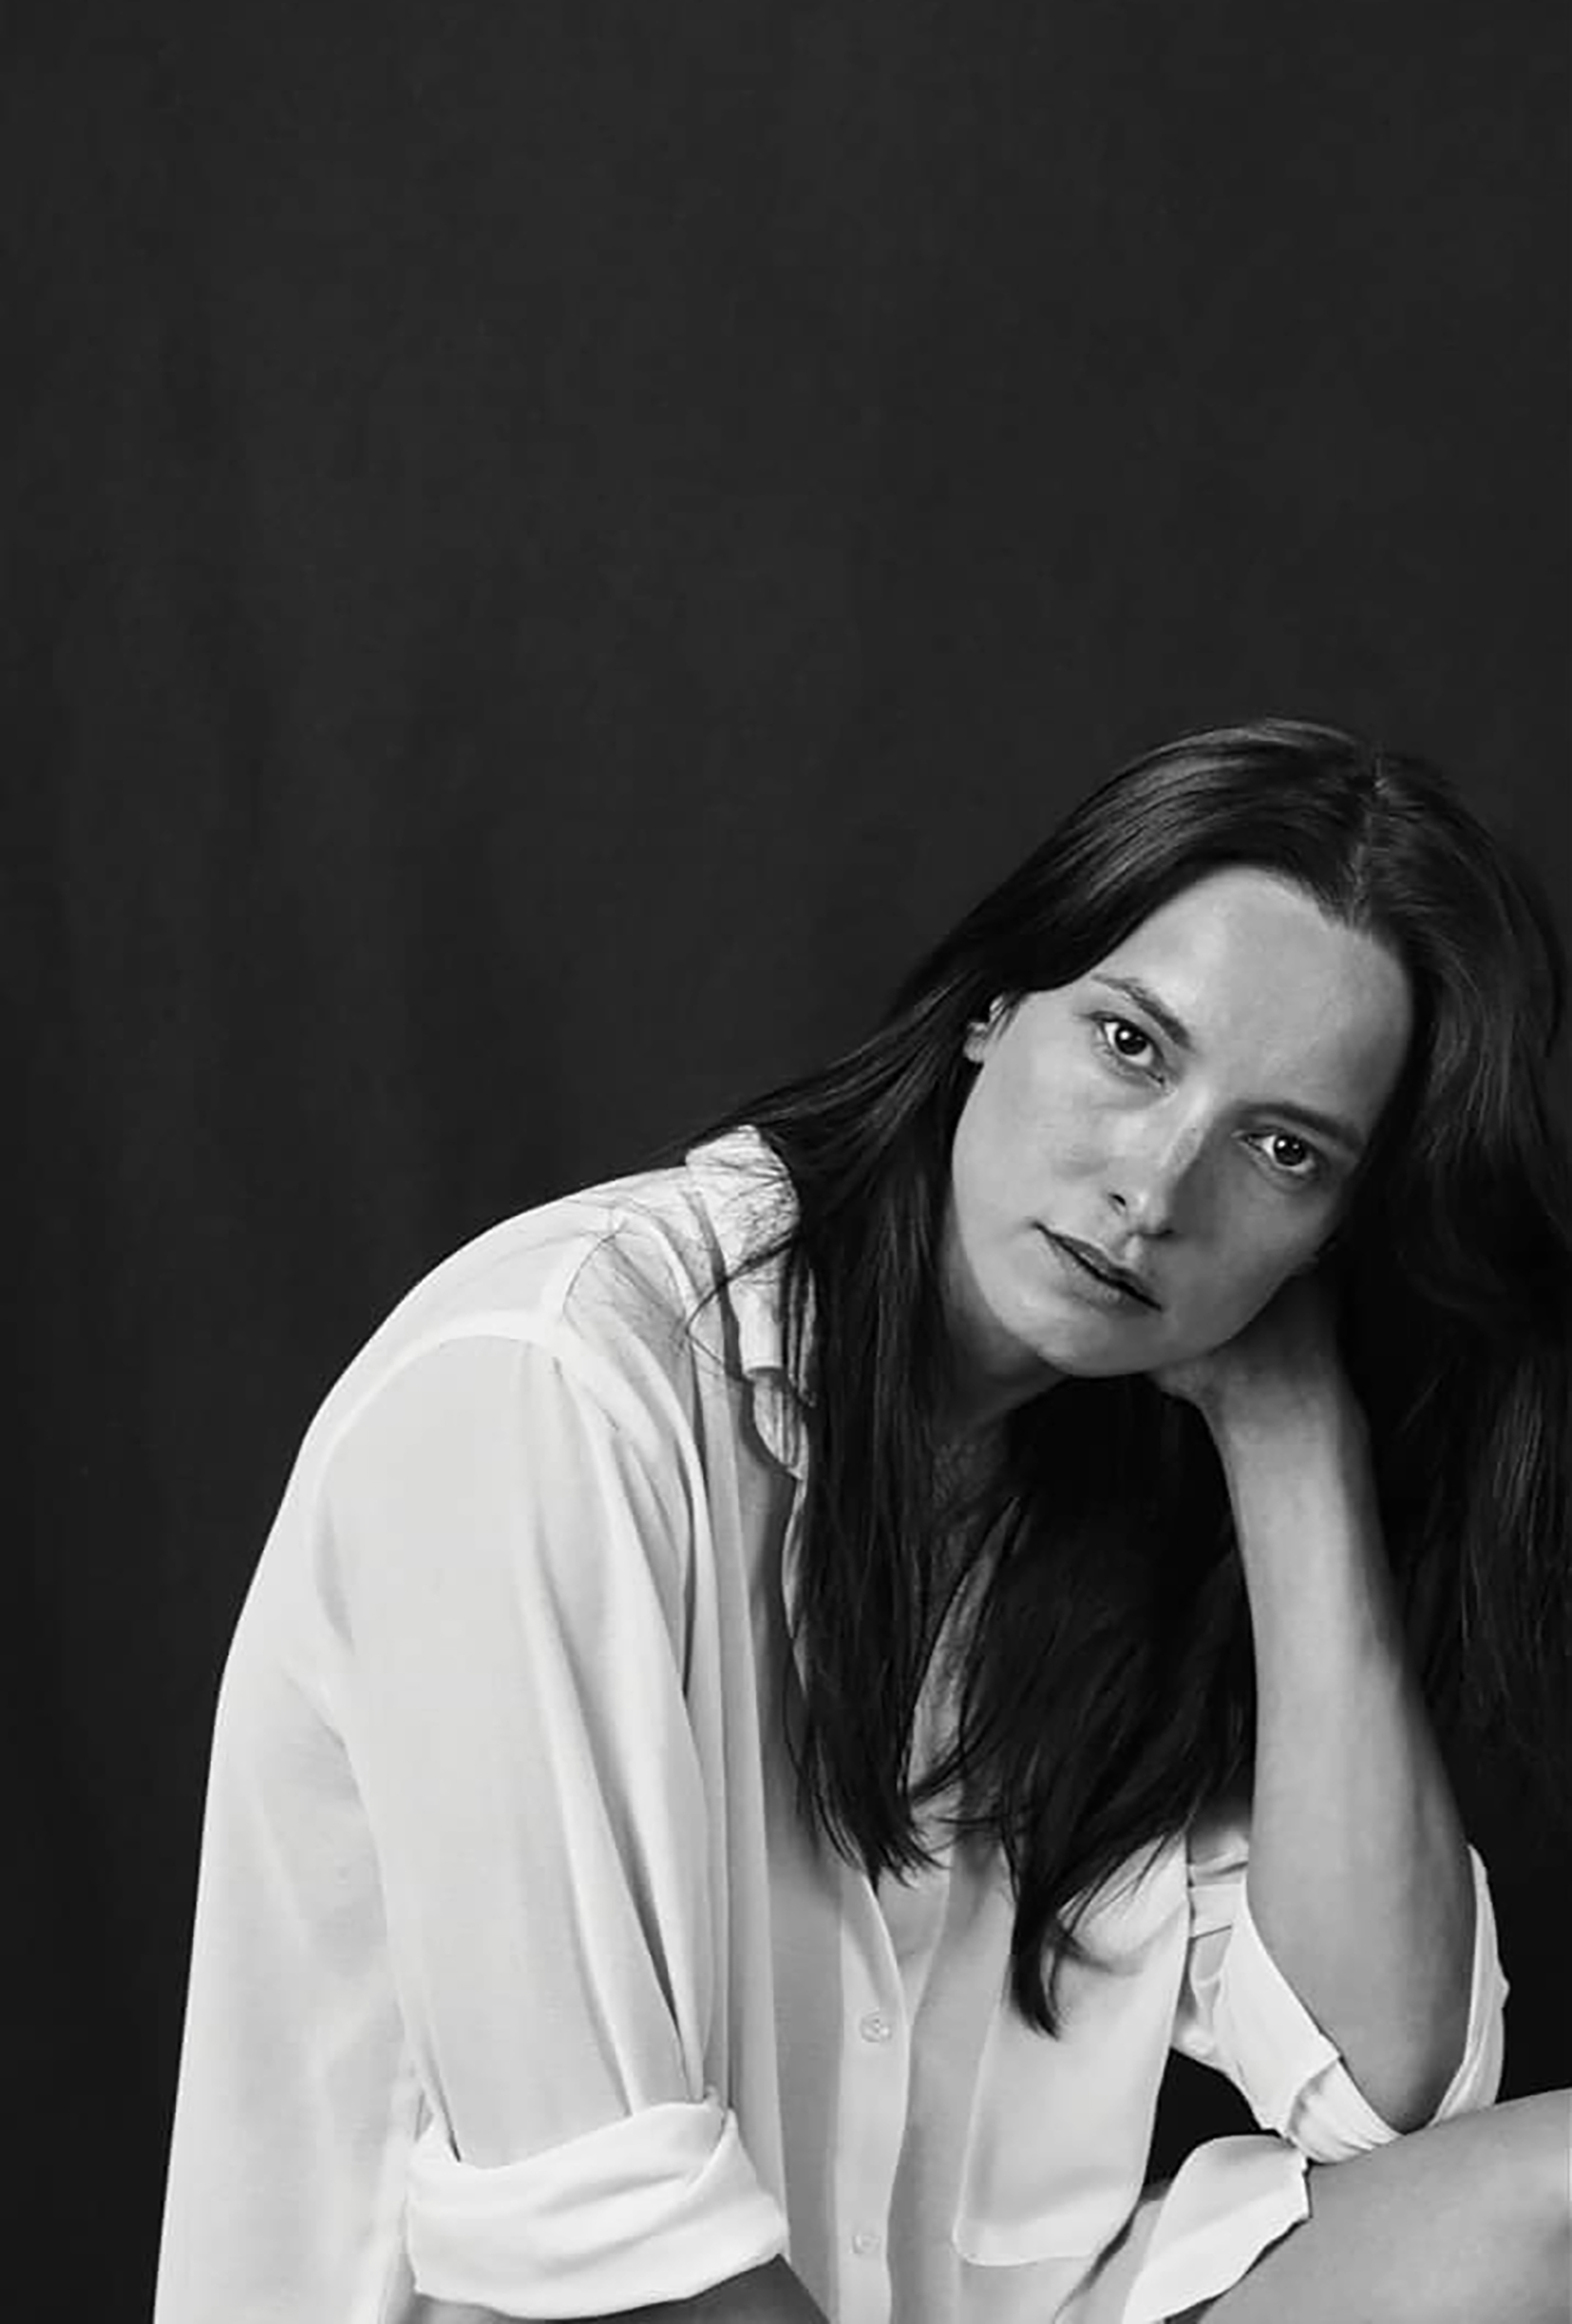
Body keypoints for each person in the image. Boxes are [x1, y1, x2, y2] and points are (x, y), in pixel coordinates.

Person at [154, 719, 1572, 2324]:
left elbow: (1382, 2089)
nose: (1160, 1190)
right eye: (1131, 1044)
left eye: (1282, 1149)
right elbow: (610, 2268)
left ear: (1331, 1234)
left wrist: (1292, 1440)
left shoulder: (1126, 1481)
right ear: (993, 1006)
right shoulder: (552, 1390)